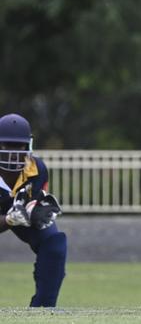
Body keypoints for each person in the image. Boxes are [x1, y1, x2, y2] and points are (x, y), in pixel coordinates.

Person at [0, 113, 66, 307]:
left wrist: (36, 210)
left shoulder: (37, 169)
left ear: (28, 145)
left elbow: (34, 200)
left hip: (20, 215)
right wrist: (9, 220)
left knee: (54, 243)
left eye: (19, 146)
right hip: (10, 216)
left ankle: (43, 310)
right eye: (5, 146)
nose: (13, 154)